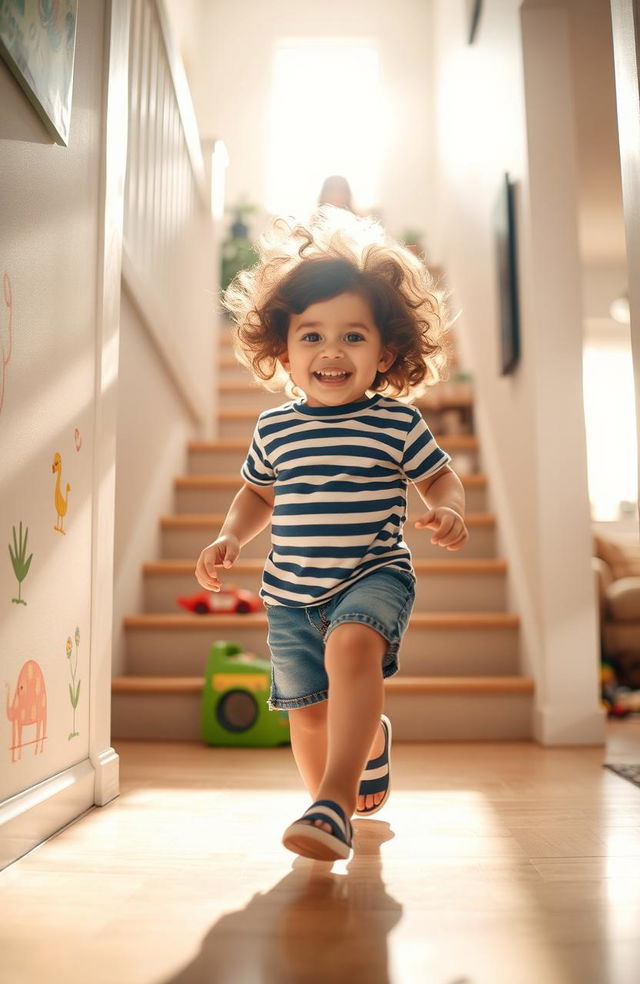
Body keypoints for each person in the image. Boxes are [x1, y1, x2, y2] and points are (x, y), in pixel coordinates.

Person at [195, 207, 469, 862]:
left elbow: (439, 479)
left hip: (372, 574)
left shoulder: (395, 424)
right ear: (283, 352)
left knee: (352, 650)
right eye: (312, 336)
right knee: (310, 713)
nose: (331, 351)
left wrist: (449, 510)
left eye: (353, 337)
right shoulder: (275, 430)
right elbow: (258, 493)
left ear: (386, 354)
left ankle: (334, 804)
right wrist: (231, 536)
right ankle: (339, 781)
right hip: (290, 592)